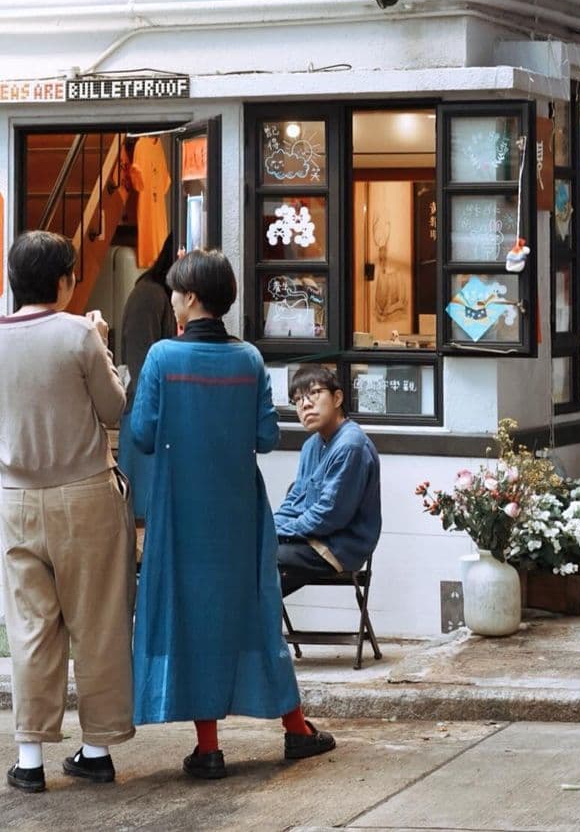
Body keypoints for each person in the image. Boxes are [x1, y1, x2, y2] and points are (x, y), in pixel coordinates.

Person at [129, 249, 335, 778]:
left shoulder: (162, 359)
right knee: (254, 613)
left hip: (180, 510)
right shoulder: (248, 360)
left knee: (191, 617)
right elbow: (267, 437)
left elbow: (143, 434)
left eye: (176, 291)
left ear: (190, 298)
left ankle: (209, 747)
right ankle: (295, 728)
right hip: (240, 508)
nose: (172, 299)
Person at [0, 230, 136, 795]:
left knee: (32, 628)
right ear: (65, 281)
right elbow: (114, 406)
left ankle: (30, 757)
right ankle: (96, 748)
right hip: (86, 492)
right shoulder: (79, 334)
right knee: (98, 621)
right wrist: (104, 344)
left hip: (18, 499)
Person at [274, 365, 382, 596]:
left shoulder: (351, 445)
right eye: (298, 400)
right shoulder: (311, 445)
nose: (305, 404)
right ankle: (253, 627)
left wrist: (279, 532)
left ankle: (253, 628)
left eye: (313, 393)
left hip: (338, 547)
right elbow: (295, 499)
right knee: (249, 560)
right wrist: (269, 527)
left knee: (259, 559)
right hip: (309, 540)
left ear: (337, 397)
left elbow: (329, 514)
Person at [117, 234, 176, 519]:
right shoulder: (150, 294)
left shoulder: (157, 293)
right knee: (143, 513)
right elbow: (141, 363)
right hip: (146, 412)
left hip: (153, 412)